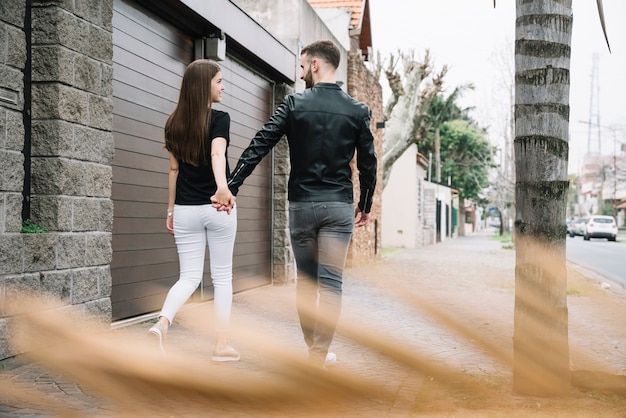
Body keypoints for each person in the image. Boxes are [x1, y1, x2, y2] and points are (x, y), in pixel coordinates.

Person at [218, 40, 377, 366]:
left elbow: (259, 144)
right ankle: (318, 354)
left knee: (306, 283)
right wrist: (365, 203)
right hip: (337, 207)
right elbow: (368, 164)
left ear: (316, 64)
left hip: (302, 205)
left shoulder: (293, 104)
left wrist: (232, 185)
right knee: (331, 285)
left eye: (303, 66)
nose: (301, 73)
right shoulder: (358, 110)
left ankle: (312, 350)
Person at [148, 59, 240, 362]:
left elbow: (173, 171)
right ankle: (221, 345)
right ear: (205, 86)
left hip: (185, 209)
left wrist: (170, 210)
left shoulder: (173, 123)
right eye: (219, 81)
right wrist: (222, 188)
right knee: (222, 277)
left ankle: (161, 324)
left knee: (187, 277)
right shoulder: (220, 118)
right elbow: (217, 152)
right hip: (217, 209)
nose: (223, 86)